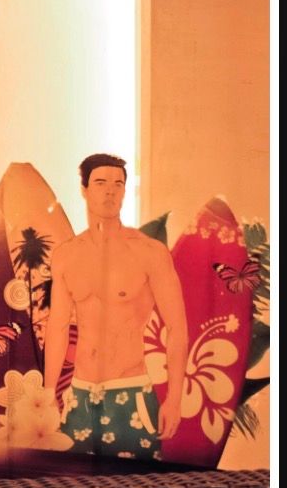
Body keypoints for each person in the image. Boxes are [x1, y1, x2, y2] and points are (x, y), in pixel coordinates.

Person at [43, 153, 187, 460]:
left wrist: (174, 398)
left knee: (134, 487)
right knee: (74, 486)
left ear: (124, 191)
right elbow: (57, 327)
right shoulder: (66, 255)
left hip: (130, 391)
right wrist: (48, 391)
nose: (110, 191)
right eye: (100, 183)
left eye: (118, 184)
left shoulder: (149, 252)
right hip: (79, 395)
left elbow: (177, 327)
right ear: (84, 190)